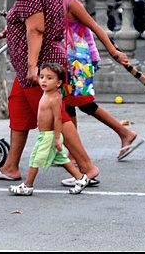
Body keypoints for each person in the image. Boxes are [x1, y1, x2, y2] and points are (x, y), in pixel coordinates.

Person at [0, 0, 100, 184]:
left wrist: (32, 67)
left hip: (39, 66)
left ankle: (87, 168)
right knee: (18, 107)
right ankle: (10, 167)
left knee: (58, 115)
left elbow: (36, 29)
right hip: (43, 61)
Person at [46, 0, 144, 168]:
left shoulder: (71, 3)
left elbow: (95, 27)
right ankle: (74, 152)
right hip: (64, 61)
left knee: (82, 103)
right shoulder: (52, 2)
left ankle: (125, 133)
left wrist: (113, 51)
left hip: (78, 62)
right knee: (68, 104)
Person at [9, 63, 89, 196]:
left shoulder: (54, 98)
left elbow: (58, 119)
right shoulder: (46, 94)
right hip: (46, 134)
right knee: (61, 159)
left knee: (35, 158)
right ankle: (81, 179)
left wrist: (57, 138)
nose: (44, 80)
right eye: (42, 77)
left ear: (59, 83)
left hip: (49, 135)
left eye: (49, 78)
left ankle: (28, 186)